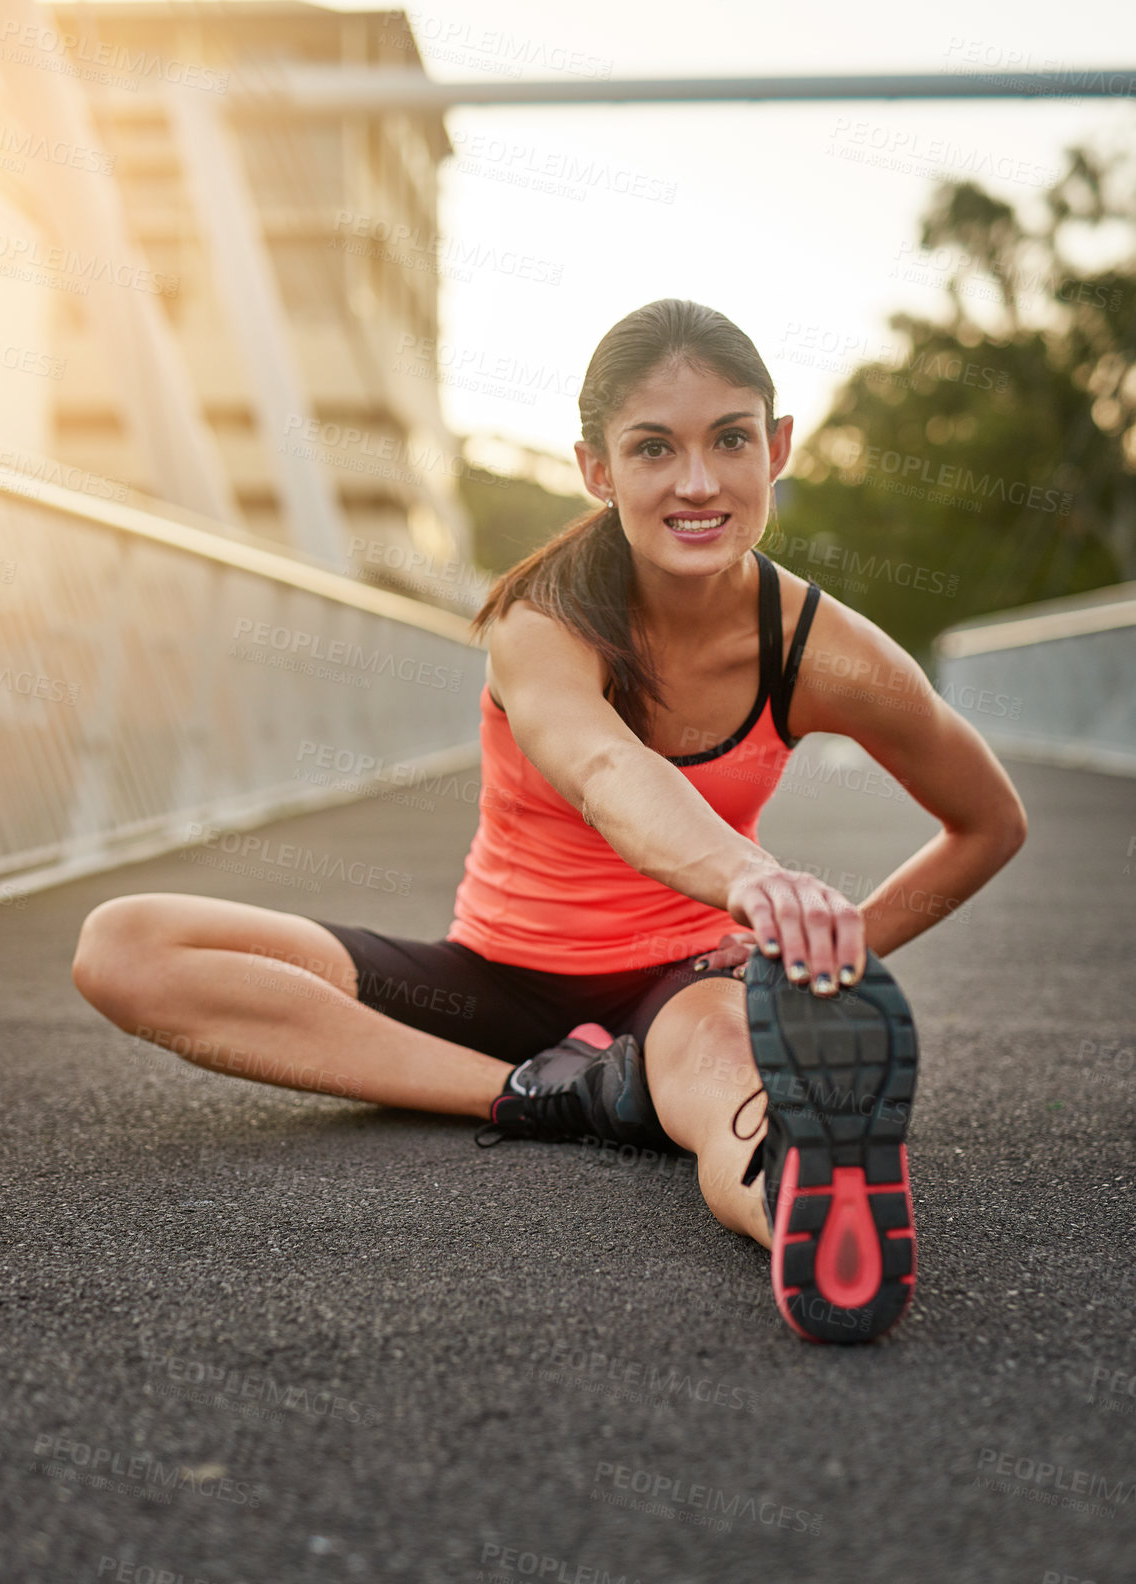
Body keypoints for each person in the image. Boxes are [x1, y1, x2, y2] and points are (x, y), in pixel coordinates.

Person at [71, 299, 1027, 1344]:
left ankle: (806, 1204)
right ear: (596, 469)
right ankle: (540, 1095)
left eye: (731, 439)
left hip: (682, 988)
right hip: (488, 979)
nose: (698, 482)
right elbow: (608, 769)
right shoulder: (545, 619)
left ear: (778, 446)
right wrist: (753, 875)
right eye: (653, 448)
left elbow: (987, 823)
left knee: (730, 1090)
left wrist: (812, 960)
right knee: (124, 946)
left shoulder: (818, 647)